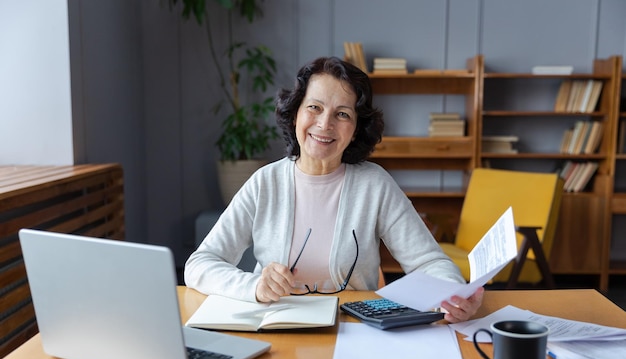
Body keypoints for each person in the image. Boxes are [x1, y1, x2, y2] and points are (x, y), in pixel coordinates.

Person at [185, 56, 483, 323]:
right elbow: (200, 265)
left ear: (355, 130)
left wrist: (454, 296)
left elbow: (429, 261)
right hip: (275, 329)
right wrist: (255, 286)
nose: (325, 124)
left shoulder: (375, 185)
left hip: (353, 331)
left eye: (342, 114)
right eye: (314, 107)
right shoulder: (265, 183)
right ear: (295, 114)